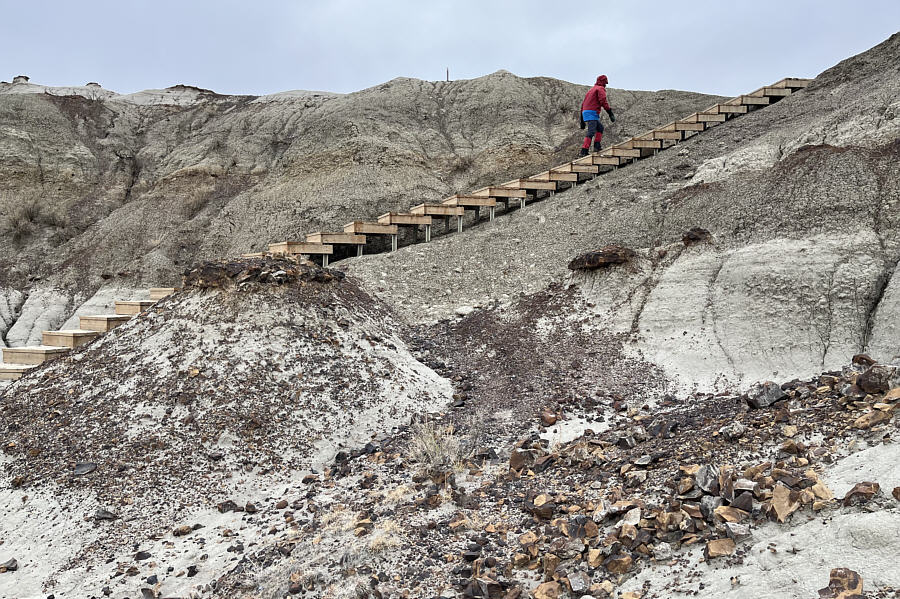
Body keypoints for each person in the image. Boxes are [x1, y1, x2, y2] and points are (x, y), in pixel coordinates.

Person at [580, 75, 615, 157]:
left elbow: (583, 104)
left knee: (600, 128)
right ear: (603, 82)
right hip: (592, 112)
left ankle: (597, 146)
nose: (606, 85)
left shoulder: (591, 90)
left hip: (586, 112)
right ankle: (584, 151)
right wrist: (610, 112)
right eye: (605, 83)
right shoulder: (600, 89)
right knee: (591, 131)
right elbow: (603, 101)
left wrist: (581, 119)